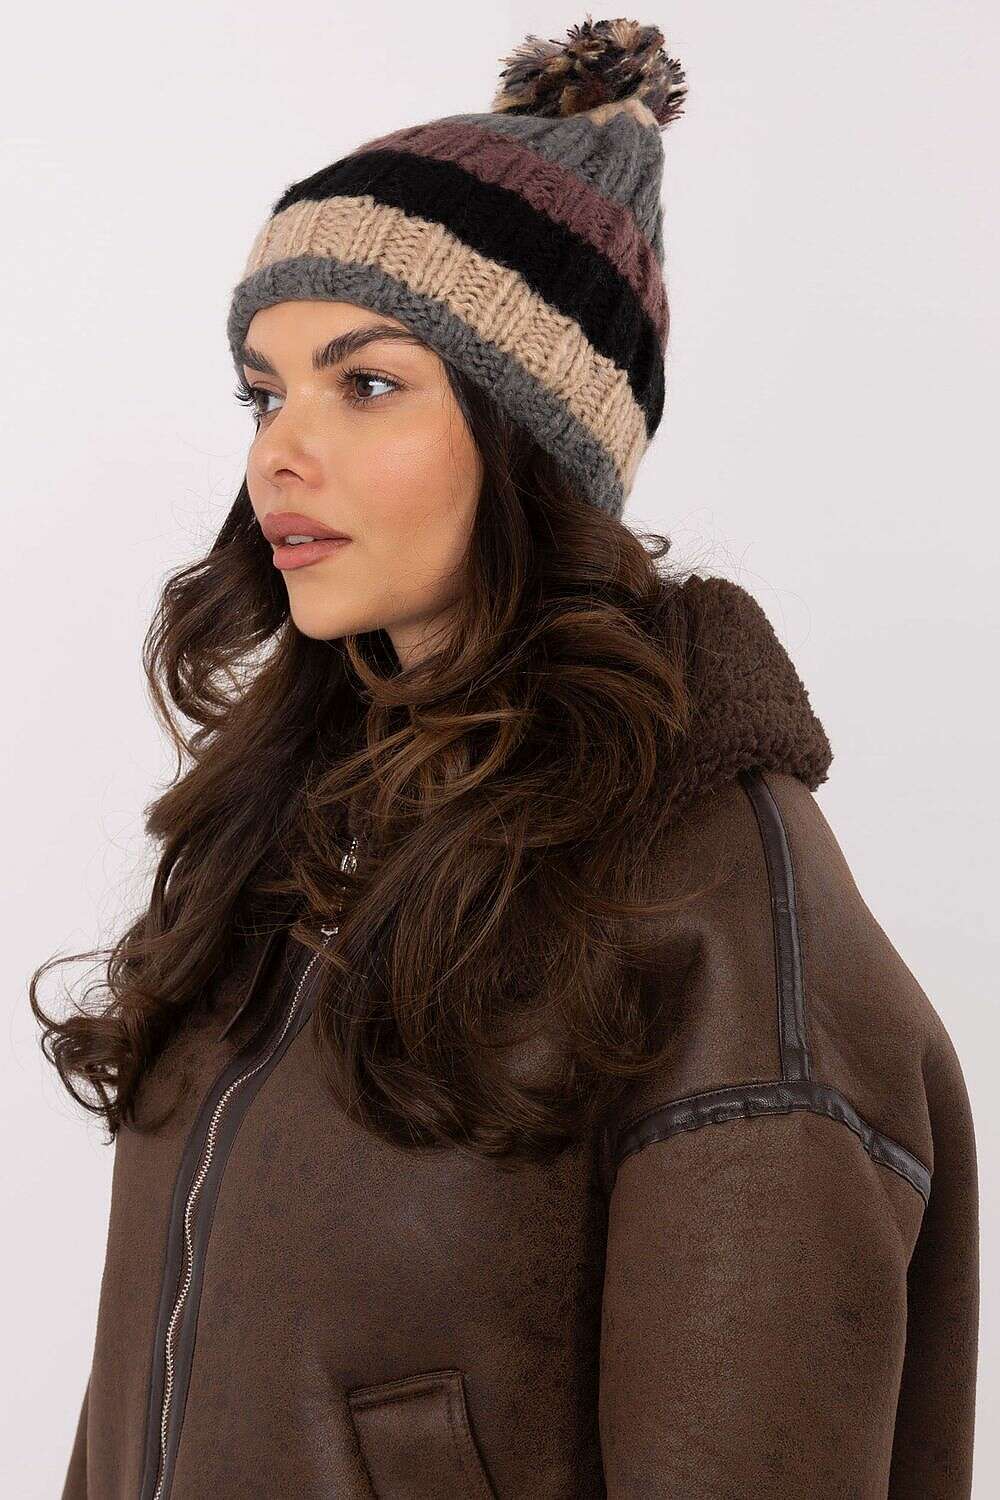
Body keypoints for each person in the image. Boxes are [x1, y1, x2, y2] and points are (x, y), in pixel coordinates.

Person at [35, 16, 978, 1499]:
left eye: (366, 384)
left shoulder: (714, 893)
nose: (278, 452)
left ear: (529, 431)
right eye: (264, 392)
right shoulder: (290, 840)